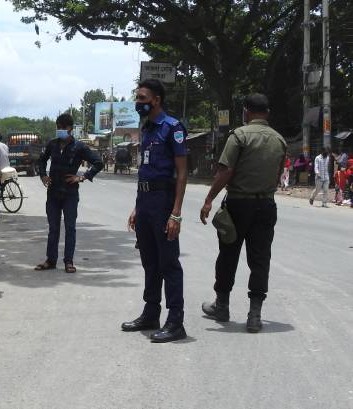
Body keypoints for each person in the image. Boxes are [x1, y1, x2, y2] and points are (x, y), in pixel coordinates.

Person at [200, 93, 287, 333]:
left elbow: (225, 172)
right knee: (260, 259)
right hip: (266, 206)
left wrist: (209, 199)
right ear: (267, 113)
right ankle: (255, 315)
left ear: (246, 112)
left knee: (228, 254)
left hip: (239, 204)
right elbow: (278, 175)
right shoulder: (279, 140)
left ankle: (222, 306)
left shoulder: (239, 135)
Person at [122, 79, 189, 343]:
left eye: (141, 98)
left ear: (156, 99)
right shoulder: (147, 129)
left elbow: (182, 173)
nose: (138, 102)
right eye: (138, 98)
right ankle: (151, 313)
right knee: (149, 261)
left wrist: (176, 213)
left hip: (163, 201)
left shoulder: (172, 128)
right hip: (146, 201)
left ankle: (176, 321)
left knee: (168, 263)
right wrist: (137, 207)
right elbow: (144, 172)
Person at [35, 113, 103, 274]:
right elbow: (41, 160)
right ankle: (51, 260)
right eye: (57, 127)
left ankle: (69, 261)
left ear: (70, 128)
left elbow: (99, 162)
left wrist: (83, 177)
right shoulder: (52, 144)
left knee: (70, 228)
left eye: (62, 127)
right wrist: (43, 175)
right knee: (53, 228)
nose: (59, 130)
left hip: (70, 194)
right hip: (52, 193)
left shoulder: (79, 147)